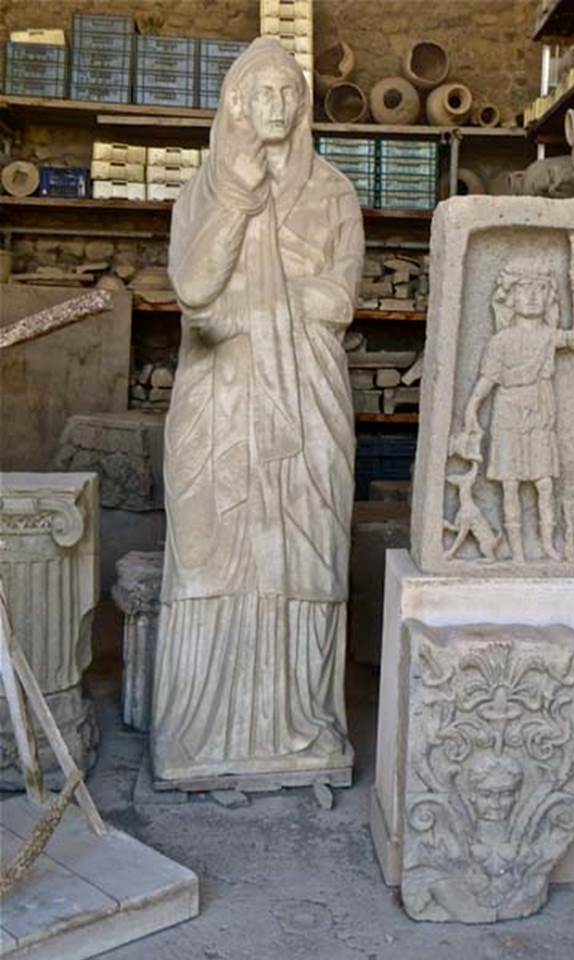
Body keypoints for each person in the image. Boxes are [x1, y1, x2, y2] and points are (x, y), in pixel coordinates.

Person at [151, 39, 364, 784]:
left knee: (302, 555)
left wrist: (281, 293)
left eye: (288, 92)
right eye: (261, 90)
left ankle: (302, 727)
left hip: (305, 396)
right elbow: (194, 290)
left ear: (302, 107)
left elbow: (339, 302)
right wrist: (241, 204)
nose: (276, 103)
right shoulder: (200, 193)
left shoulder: (334, 193)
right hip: (222, 394)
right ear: (237, 102)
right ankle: (201, 733)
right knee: (214, 550)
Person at [450, 235, 574, 562]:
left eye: (539, 289)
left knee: (544, 483)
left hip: (540, 413)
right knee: (510, 484)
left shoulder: (548, 335)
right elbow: (487, 381)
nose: (530, 297)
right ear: (509, 297)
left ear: (548, 296)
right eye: (523, 289)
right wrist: (471, 408)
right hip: (509, 415)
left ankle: (547, 545)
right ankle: (516, 551)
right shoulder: (501, 341)